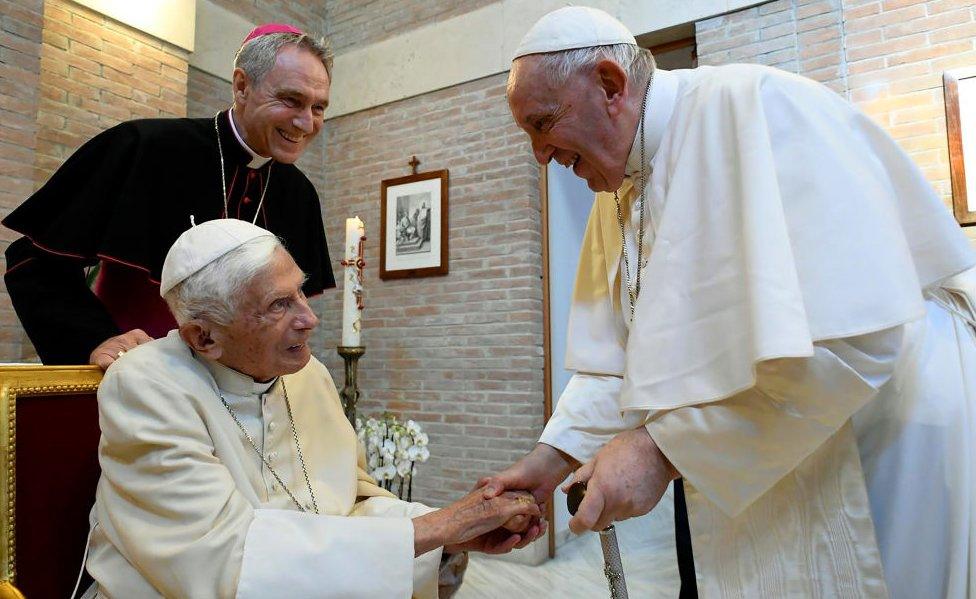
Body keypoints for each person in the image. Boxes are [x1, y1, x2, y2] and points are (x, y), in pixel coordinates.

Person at [483, 6, 976, 598]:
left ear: (610, 85)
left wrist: (662, 451)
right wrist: (550, 460)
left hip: (883, 435)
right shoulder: (617, 188)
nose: (540, 154)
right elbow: (616, 357)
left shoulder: (759, 108)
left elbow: (857, 340)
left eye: (543, 124)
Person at [84, 218, 544, 597]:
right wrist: (435, 530)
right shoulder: (147, 386)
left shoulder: (308, 374)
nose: (309, 318)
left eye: (300, 293)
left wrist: (446, 538)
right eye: (279, 305)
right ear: (204, 337)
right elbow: (225, 562)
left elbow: (353, 501)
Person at [3, 24, 335, 369]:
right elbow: (33, 262)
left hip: (243, 400)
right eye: (291, 100)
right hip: (138, 383)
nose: (305, 123)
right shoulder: (144, 147)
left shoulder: (300, 195)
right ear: (241, 87)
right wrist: (96, 338)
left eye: (318, 108)